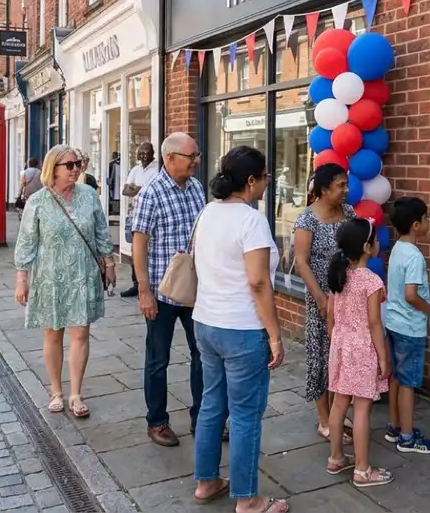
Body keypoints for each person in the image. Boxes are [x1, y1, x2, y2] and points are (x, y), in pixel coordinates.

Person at [190, 146, 288, 512]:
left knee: (212, 404)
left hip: (206, 322)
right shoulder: (251, 220)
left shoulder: (208, 213)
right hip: (242, 329)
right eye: (264, 177)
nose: (266, 183)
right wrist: (275, 335)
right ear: (250, 181)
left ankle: (207, 481)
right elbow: (259, 283)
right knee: (246, 414)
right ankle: (248, 499)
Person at [15, 145, 117, 417]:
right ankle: (56, 390)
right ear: (53, 169)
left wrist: (109, 263)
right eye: (69, 165)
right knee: (53, 332)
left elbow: (101, 232)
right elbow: (26, 242)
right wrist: (22, 278)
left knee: (81, 333)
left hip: (83, 275)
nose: (75, 169)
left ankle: (76, 394)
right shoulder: (37, 201)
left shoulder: (88, 196)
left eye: (78, 164)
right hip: (50, 277)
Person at [132, 132, 205, 447]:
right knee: (158, 358)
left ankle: (203, 417)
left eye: (196, 155)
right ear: (170, 158)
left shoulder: (197, 188)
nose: (196, 161)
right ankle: (157, 421)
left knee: (202, 354)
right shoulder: (151, 193)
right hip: (162, 292)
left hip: (194, 290)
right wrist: (144, 290)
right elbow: (139, 243)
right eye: (191, 156)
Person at [325, 217, 393, 488]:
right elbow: (375, 323)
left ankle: (336, 457)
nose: (378, 243)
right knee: (362, 408)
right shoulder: (371, 281)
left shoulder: (339, 276)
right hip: (363, 348)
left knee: (339, 403)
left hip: (341, 346)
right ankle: (363, 470)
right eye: (375, 240)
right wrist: (384, 356)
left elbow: (330, 314)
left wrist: (336, 339)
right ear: (367, 247)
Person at [292, 163, 355, 442]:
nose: (346, 190)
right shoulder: (307, 219)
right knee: (321, 356)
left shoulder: (349, 213)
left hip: (348, 296)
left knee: (343, 355)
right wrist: (320, 297)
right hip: (321, 297)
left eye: (346, 184)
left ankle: (339, 413)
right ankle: (324, 419)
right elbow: (301, 262)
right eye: (340, 185)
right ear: (324, 188)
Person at [382, 197, 430, 454]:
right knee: (408, 383)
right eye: (426, 218)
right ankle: (407, 437)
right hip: (410, 329)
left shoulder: (397, 248)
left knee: (397, 377)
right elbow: (411, 294)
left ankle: (394, 427)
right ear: (417, 225)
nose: (429, 222)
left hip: (394, 323)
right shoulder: (415, 256)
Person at [120, 142, 159, 298]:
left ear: (152, 153)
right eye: (141, 153)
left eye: (146, 153)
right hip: (134, 214)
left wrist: (136, 188)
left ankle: (150, 284)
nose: (143, 155)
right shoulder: (135, 170)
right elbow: (125, 190)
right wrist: (143, 188)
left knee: (148, 250)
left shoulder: (157, 169)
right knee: (134, 250)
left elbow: (154, 191)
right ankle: (136, 284)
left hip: (151, 215)